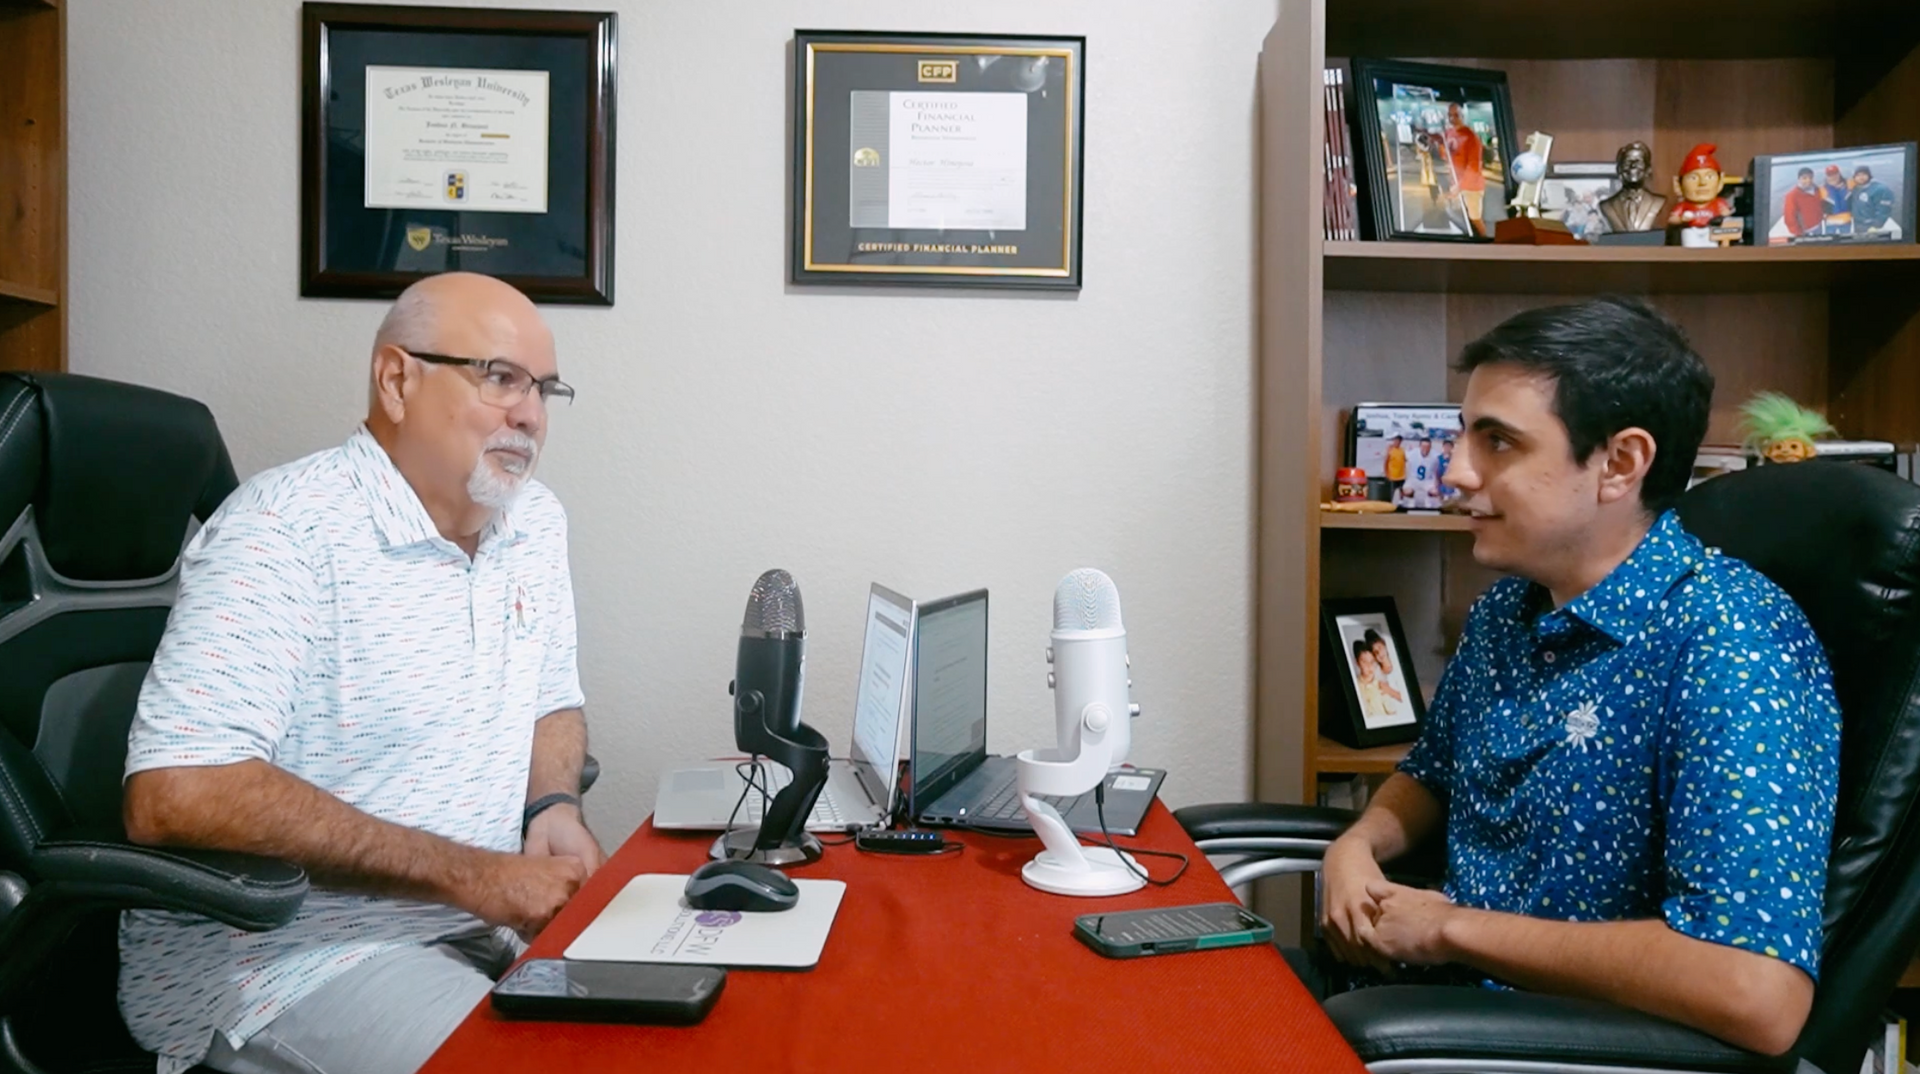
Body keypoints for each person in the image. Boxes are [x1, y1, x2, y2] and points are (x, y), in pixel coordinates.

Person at [1314, 296, 1839, 1057]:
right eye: (1466, 435)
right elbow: (1431, 775)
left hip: (1525, 1044)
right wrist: (1356, 845)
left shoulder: (1729, 642)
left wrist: (1450, 928)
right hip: (1415, 1003)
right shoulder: (1510, 606)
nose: (1457, 471)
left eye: (1498, 442)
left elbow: (1756, 992)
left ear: (1620, 464)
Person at [119, 272, 599, 1074]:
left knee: (707, 1028)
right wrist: (474, 876)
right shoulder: (283, 533)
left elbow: (552, 698)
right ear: (397, 379)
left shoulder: (532, 522)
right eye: (499, 377)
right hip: (288, 962)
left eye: (544, 389)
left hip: (478, 926)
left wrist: (552, 802)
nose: (530, 413)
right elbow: (177, 791)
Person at [1441, 103, 1487, 235]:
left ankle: (1490, 247)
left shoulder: (1471, 137)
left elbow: (1473, 167)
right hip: (1456, 182)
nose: (1452, 119)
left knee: (1474, 219)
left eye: (1456, 115)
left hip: (1471, 186)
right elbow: (1446, 154)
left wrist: (1459, 186)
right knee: (1460, 218)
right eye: (1450, 115)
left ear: (1463, 115)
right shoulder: (1449, 133)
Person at [1850, 165, 1897, 233]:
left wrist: (1876, 226)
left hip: (1871, 226)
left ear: (1869, 175)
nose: (1861, 177)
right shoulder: (1855, 189)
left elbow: (1884, 210)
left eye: (1863, 174)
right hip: (1857, 225)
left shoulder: (1880, 189)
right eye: (1858, 175)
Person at [1782, 167, 1824, 237]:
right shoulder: (1792, 196)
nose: (1808, 180)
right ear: (1799, 179)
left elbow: (1821, 205)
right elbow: (1789, 217)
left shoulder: (1817, 190)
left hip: (1818, 226)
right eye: (1804, 178)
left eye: (1810, 178)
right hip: (1805, 231)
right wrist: (1798, 233)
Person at [1821, 164, 1854, 234]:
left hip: (1847, 221)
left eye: (1835, 174)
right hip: (1830, 223)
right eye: (1830, 175)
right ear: (1826, 176)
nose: (1833, 177)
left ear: (1839, 174)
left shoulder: (1850, 183)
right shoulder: (1821, 189)